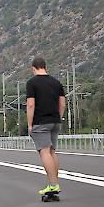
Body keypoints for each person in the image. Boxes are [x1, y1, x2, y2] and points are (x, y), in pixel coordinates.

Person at [26, 56, 66, 196]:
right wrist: (58, 117)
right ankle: (54, 183)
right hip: (55, 121)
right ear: (45, 67)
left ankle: (53, 185)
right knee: (52, 152)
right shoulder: (56, 82)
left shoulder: (32, 83)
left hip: (41, 122)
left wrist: (29, 124)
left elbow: (31, 104)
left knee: (44, 152)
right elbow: (62, 103)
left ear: (33, 68)